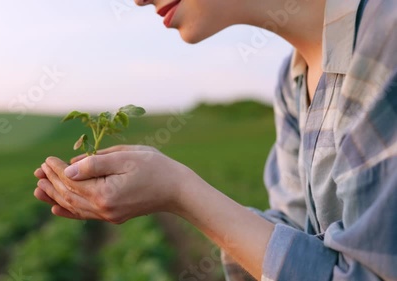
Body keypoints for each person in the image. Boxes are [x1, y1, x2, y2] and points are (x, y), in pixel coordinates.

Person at [33, 0, 397, 280]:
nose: (138, 1)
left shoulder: (387, 41)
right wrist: (171, 189)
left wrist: (180, 192)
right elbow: (296, 234)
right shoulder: (293, 80)